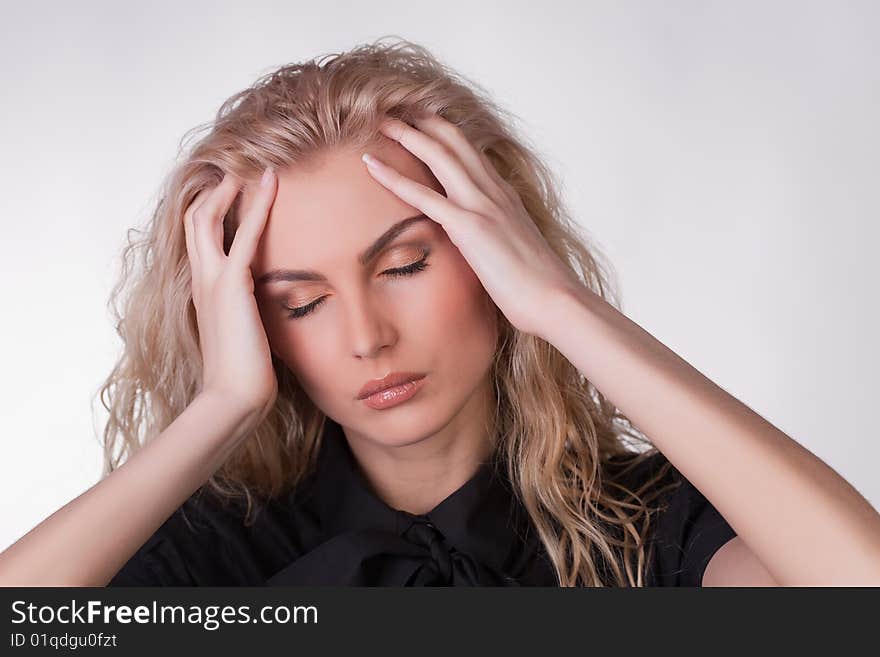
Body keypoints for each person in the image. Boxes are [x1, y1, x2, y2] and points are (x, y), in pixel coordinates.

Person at [1, 37, 878, 587]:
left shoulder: (650, 527)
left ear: (498, 248)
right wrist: (221, 407)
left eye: (407, 262)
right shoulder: (222, 550)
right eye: (300, 302)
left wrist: (560, 306)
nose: (366, 337)